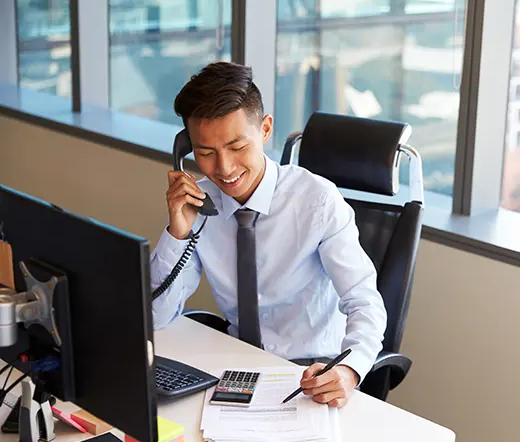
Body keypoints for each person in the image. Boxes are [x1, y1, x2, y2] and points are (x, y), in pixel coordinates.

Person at [150, 62, 387, 408]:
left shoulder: (318, 202)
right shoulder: (198, 204)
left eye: (236, 147)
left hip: (308, 376)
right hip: (235, 368)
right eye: (205, 153)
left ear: (265, 129)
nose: (224, 168)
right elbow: (155, 316)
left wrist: (349, 370)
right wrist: (177, 233)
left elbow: (364, 301)